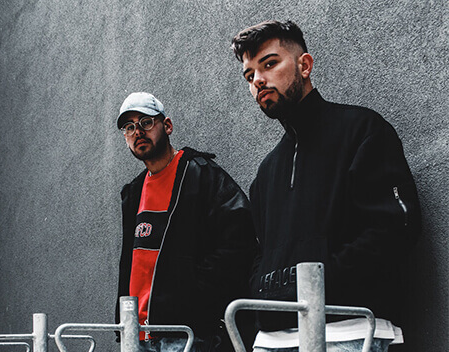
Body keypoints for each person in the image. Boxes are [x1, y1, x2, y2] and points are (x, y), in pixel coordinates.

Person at [231, 20, 421, 352]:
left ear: (304, 65)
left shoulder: (362, 130)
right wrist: (266, 295)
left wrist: (321, 282)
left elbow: (395, 227)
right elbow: (258, 253)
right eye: (250, 76)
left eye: (270, 64)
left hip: (347, 332)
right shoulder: (266, 172)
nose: (258, 80)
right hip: (271, 342)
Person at [114, 92, 256, 352]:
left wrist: (193, 294)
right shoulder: (133, 193)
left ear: (166, 126)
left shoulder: (201, 174)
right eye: (129, 127)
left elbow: (241, 241)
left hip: (187, 334)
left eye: (146, 122)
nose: (137, 132)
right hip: (137, 334)